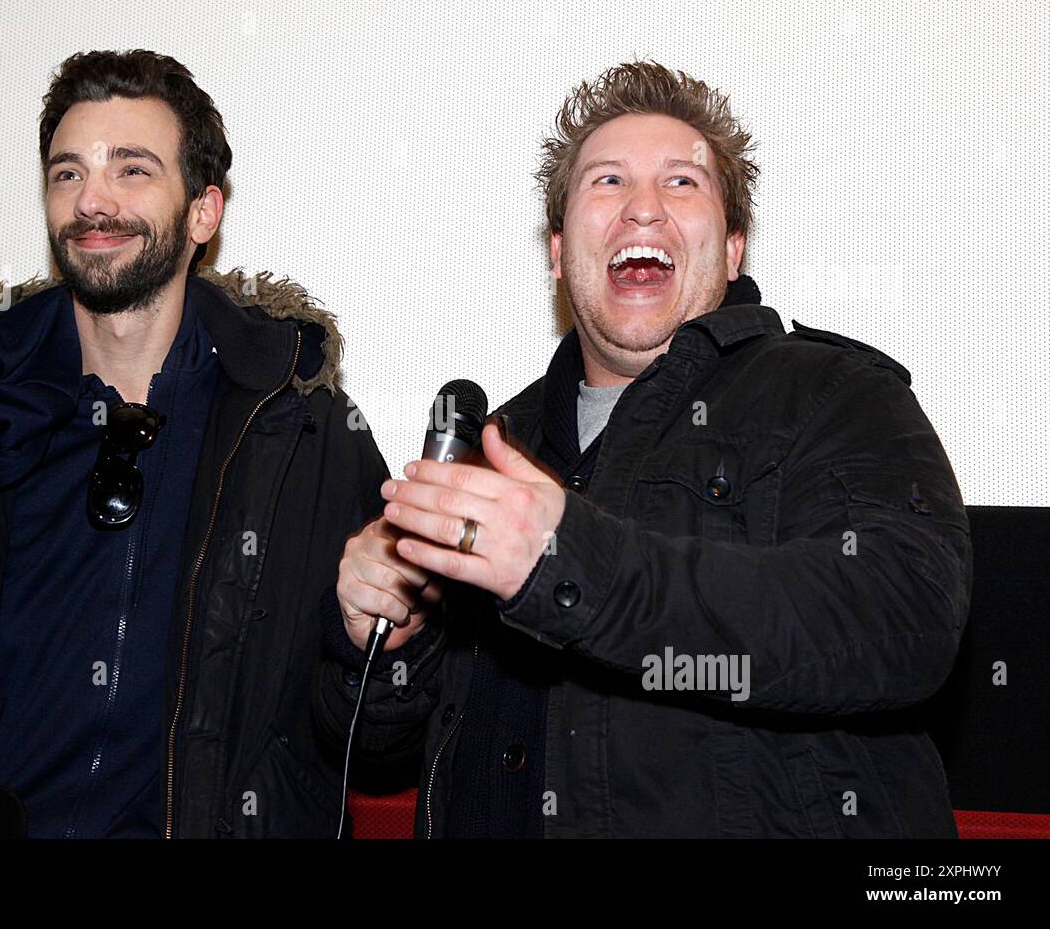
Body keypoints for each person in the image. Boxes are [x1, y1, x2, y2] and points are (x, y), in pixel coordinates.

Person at [315, 59, 971, 838]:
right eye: (608, 182)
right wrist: (384, 640)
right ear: (559, 252)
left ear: (732, 251)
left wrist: (569, 562)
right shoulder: (499, 449)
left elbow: (903, 623)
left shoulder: (834, 391)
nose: (643, 211)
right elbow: (381, 753)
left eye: (683, 184)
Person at [0, 49, 389, 838]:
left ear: (203, 213)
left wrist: (388, 645)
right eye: (66, 173)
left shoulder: (305, 431)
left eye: (132, 170)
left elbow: (376, 729)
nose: (92, 201)